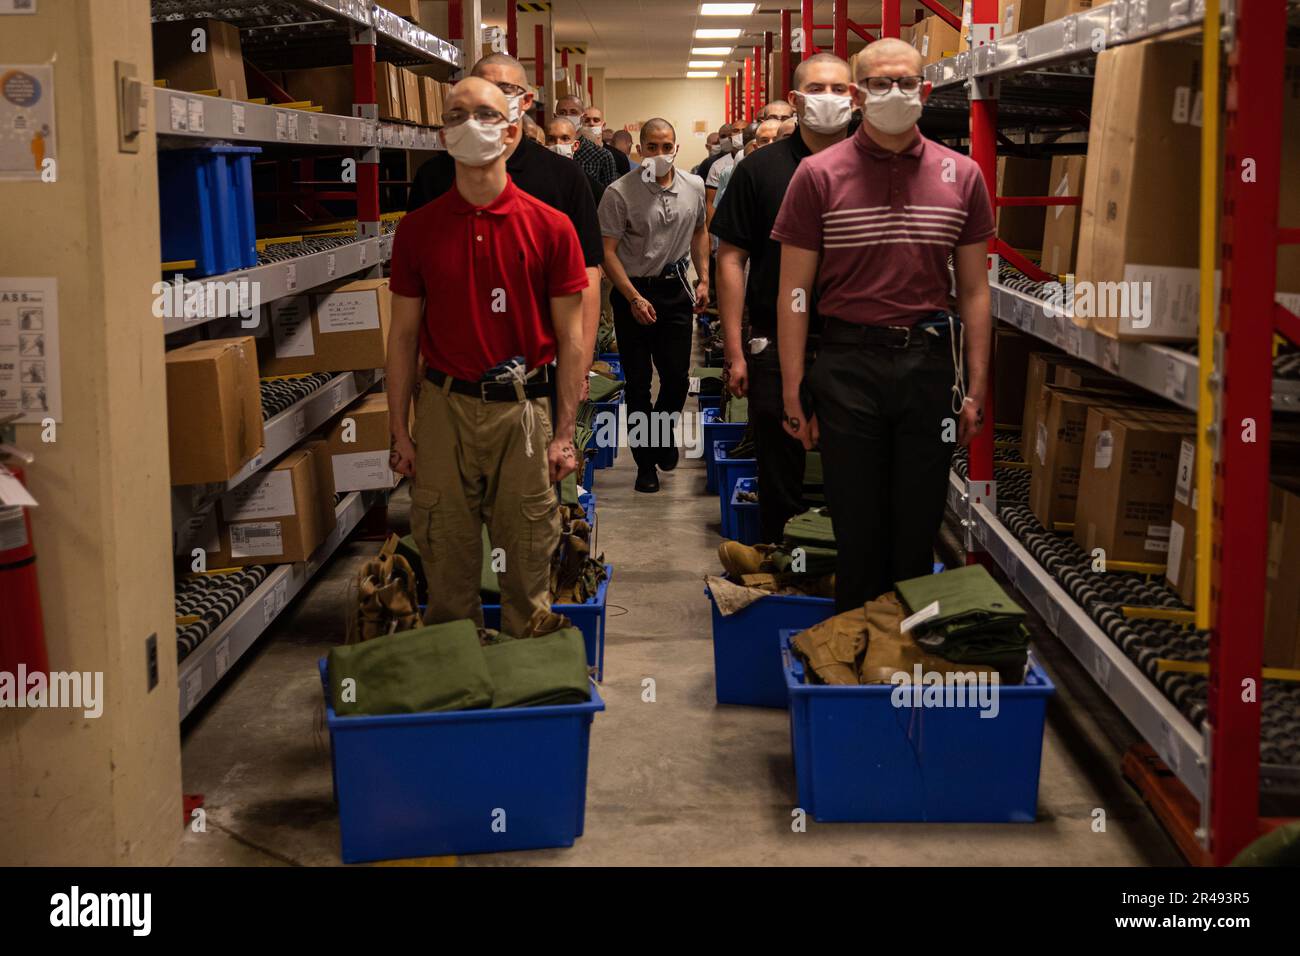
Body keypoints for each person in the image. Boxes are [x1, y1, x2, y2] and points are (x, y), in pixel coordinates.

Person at [772, 37, 994, 611]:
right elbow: (795, 292)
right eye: (878, 83)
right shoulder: (819, 176)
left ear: (925, 90)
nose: (894, 92)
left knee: (917, 530)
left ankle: (907, 664)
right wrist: (795, 388)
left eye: (906, 82)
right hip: (848, 367)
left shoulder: (962, 175)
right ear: (856, 95)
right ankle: (857, 665)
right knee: (858, 530)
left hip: (929, 368)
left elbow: (972, 290)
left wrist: (977, 385)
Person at [386, 77, 588, 640]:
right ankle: (457, 684)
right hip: (443, 408)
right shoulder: (418, 232)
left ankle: (527, 688)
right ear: (443, 135)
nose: (470, 124)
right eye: (456, 115)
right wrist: (399, 430)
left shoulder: (551, 228)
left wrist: (564, 432)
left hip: (522, 413)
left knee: (527, 558)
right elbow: (402, 337)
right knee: (445, 555)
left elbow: (571, 340)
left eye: (485, 113)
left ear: (512, 130)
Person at [711, 53, 854, 545]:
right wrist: (735, 351)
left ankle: (841, 578)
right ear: (794, 101)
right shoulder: (761, 170)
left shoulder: (873, 169)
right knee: (779, 472)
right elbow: (730, 259)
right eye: (818, 88)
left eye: (840, 89)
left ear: (855, 98)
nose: (830, 99)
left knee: (852, 473)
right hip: (772, 343)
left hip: (853, 343)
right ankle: (784, 567)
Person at [408, 54, 603, 361]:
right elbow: (416, 285)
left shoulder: (563, 176)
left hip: (538, 362)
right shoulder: (433, 177)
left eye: (505, 89)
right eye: (485, 86)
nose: (493, 96)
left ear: (526, 101)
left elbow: (588, 274)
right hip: (453, 366)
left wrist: (581, 362)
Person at [598, 118, 709, 494]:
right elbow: (606, 253)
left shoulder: (693, 186)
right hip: (633, 293)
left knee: (677, 378)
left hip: (674, 290)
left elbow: (700, 232)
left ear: (676, 148)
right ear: (639, 149)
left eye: (666, 146)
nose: (659, 154)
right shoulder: (619, 192)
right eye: (652, 147)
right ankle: (645, 463)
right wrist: (631, 296)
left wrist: (704, 276)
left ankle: (660, 437)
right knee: (639, 384)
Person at [556, 96, 618, 187]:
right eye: (562, 113)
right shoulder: (547, 151)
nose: (567, 116)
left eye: (573, 112)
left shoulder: (602, 156)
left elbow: (609, 197)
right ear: (555, 116)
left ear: (582, 118)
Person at [547, 115, 607, 204]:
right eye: (551, 139)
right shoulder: (535, 178)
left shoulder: (591, 187)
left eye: (565, 138)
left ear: (575, 146)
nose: (558, 144)